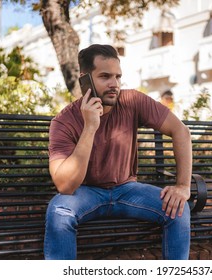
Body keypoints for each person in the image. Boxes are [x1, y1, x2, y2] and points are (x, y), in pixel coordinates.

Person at [44, 44, 192, 260]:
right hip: (86, 193)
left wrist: (182, 186)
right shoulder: (64, 121)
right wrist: (90, 127)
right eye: (105, 76)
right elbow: (65, 185)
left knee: (178, 209)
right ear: (85, 80)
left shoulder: (132, 101)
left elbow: (181, 131)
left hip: (127, 190)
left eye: (118, 77)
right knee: (59, 212)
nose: (114, 84)